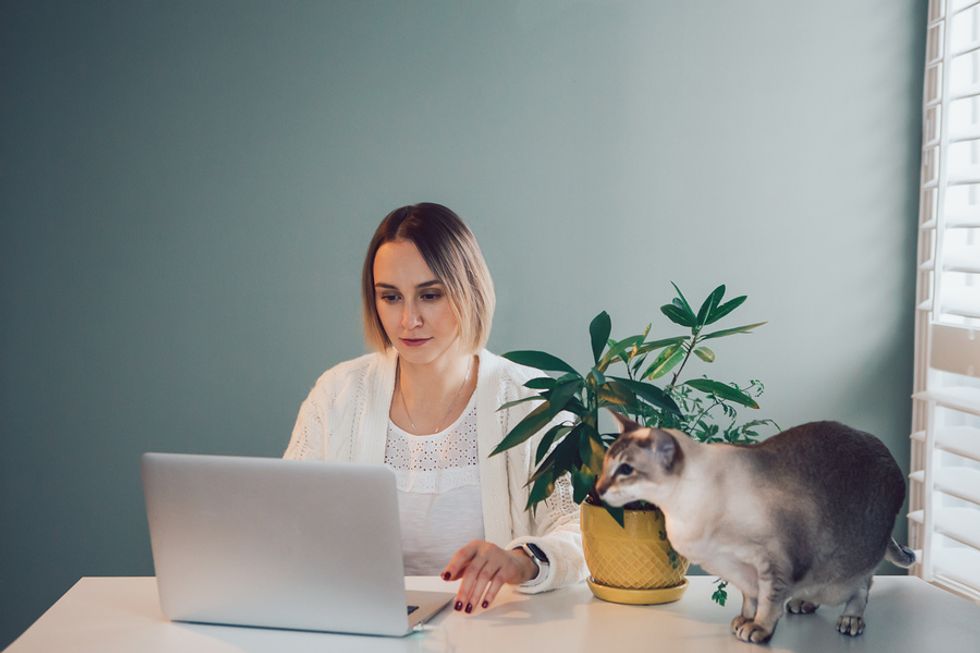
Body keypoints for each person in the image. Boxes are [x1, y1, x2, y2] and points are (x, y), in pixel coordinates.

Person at [284, 202, 586, 614]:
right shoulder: (337, 395)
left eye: (430, 295)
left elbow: (584, 531)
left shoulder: (532, 400)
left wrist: (521, 561)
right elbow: (286, 521)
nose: (409, 320)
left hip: (495, 632)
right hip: (363, 632)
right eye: (390, 297)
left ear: (469, 290)